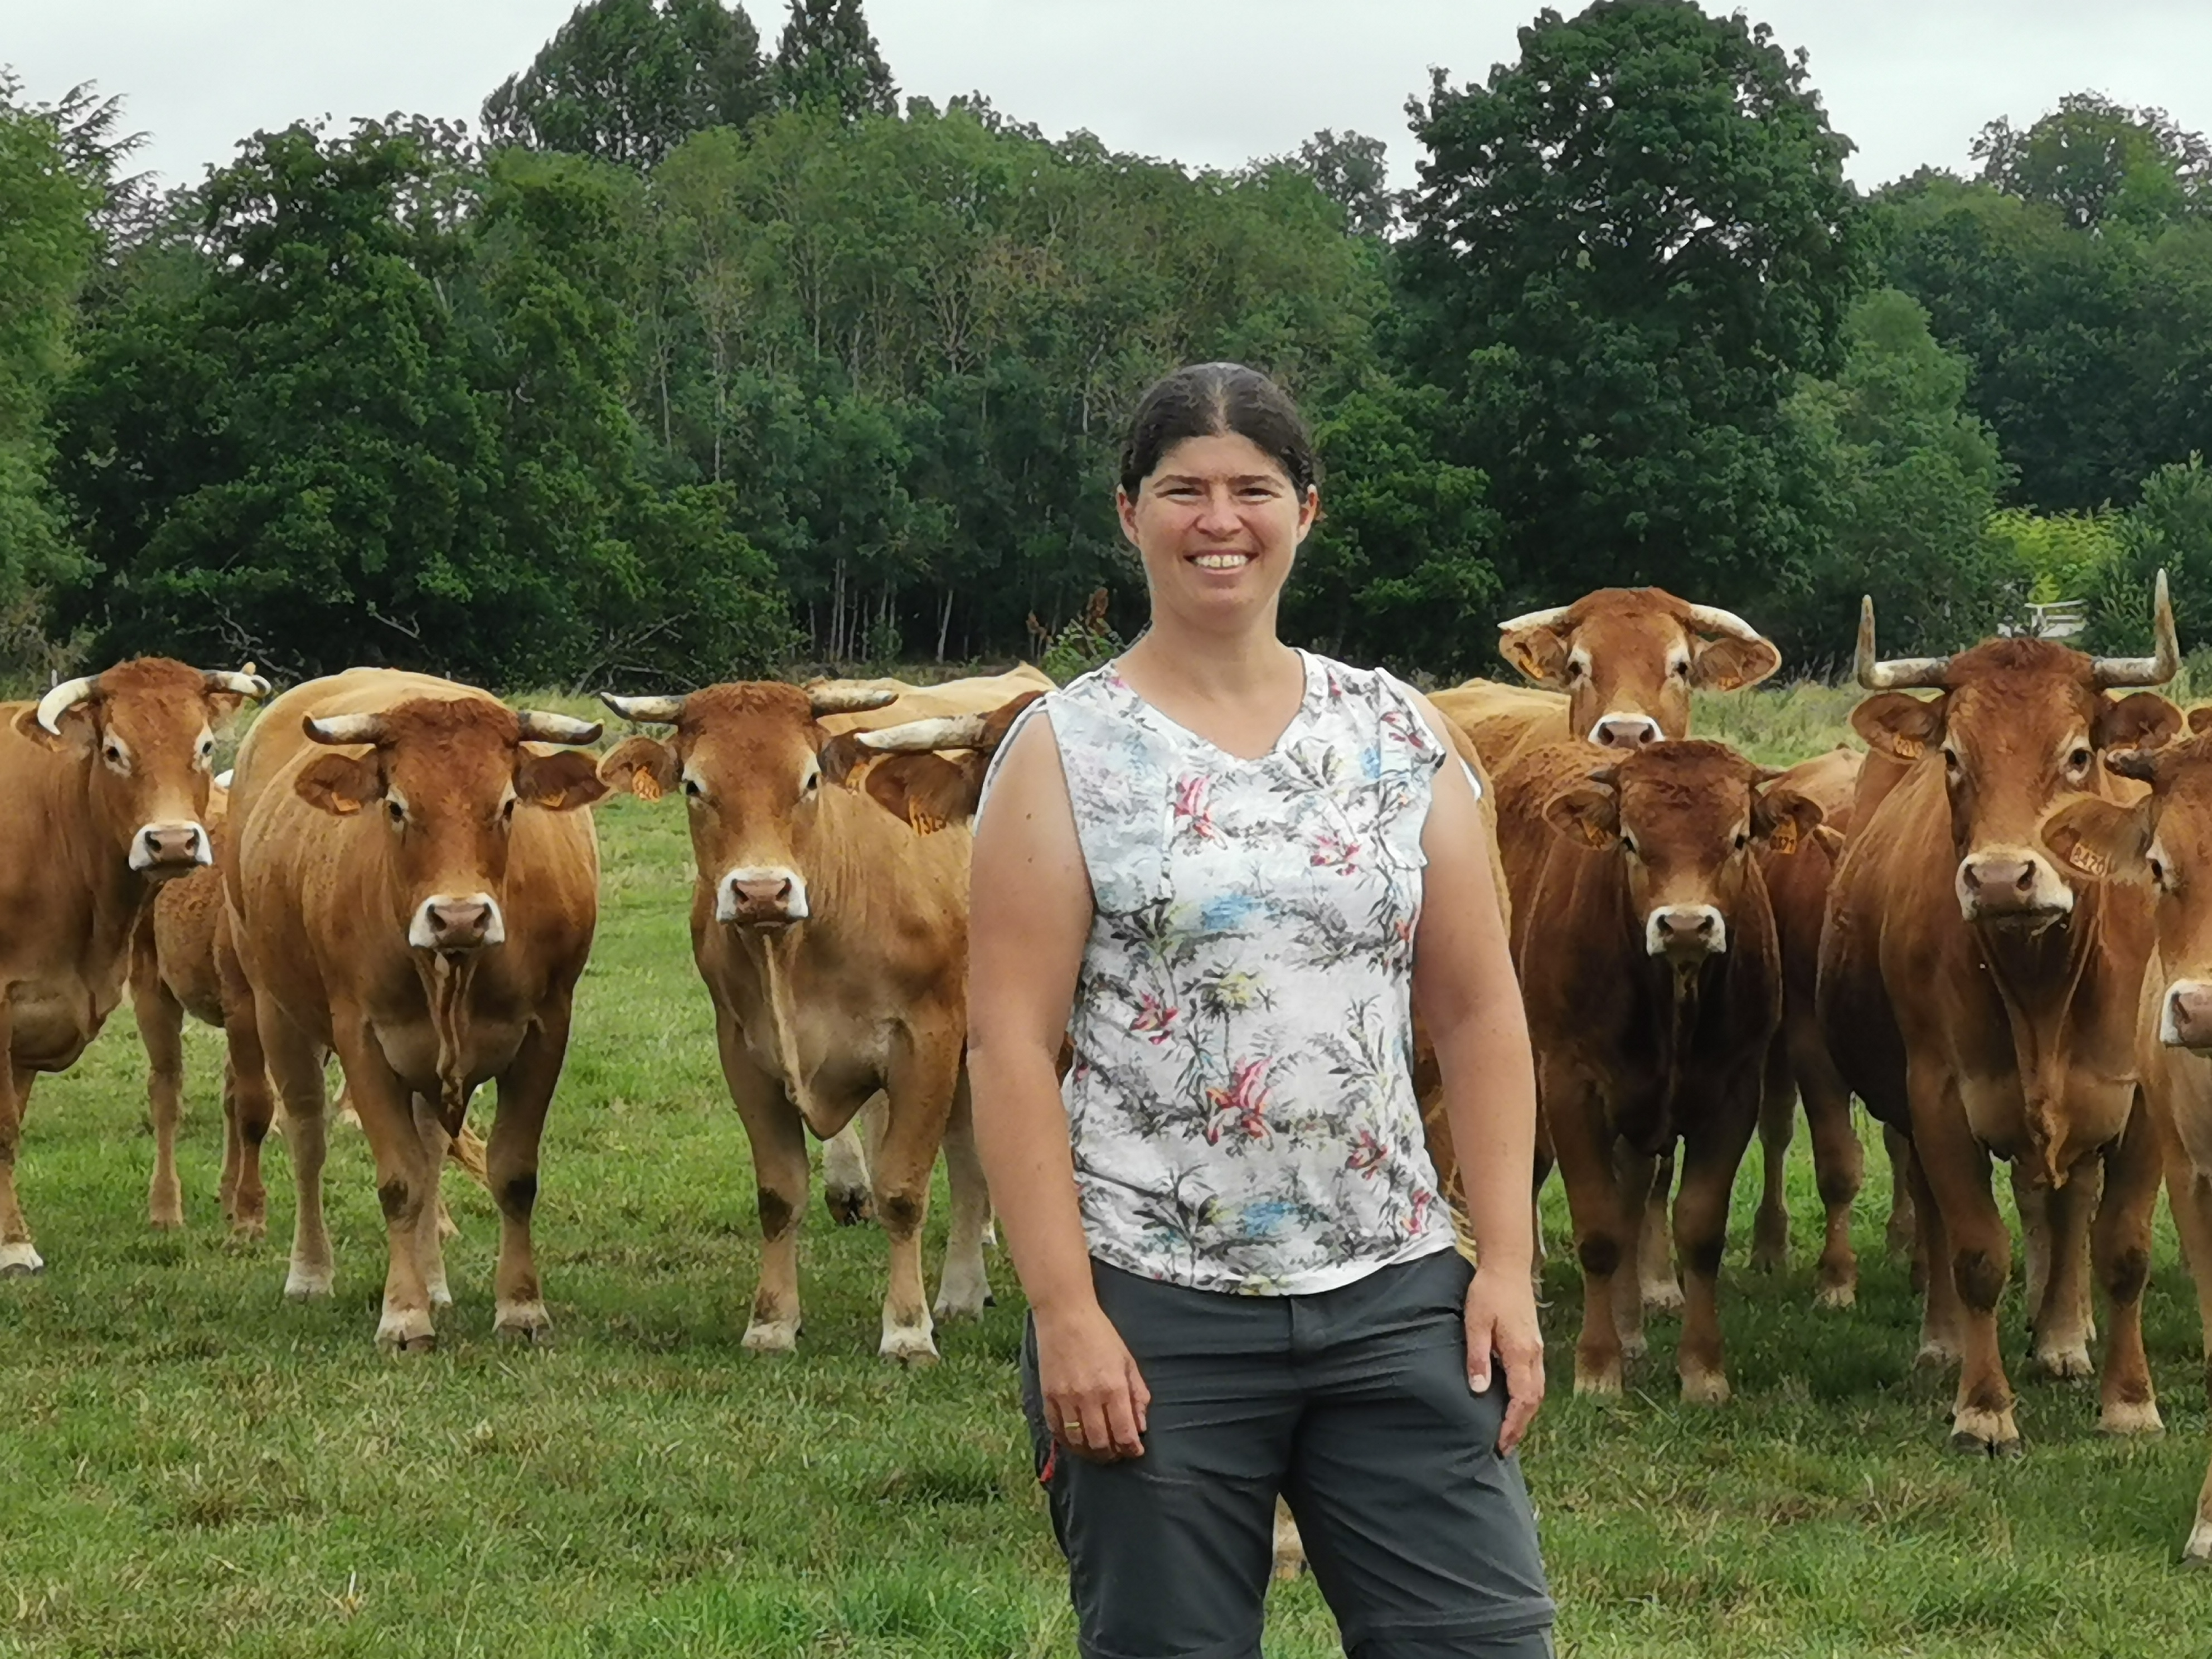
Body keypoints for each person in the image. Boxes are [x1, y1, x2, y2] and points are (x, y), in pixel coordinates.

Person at [966, 361, 1554, 1659]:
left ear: (1306, 511)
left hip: (1397, 1292)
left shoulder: (1399, 734)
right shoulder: (1063, 751)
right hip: (1152, 1304)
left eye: (1252, 489)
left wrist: (1503, 1267)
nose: (1217, 519)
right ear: (1130, 514)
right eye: (1183, 490)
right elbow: (1008, 1043)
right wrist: (1066, 1313)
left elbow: (1478, 1013)